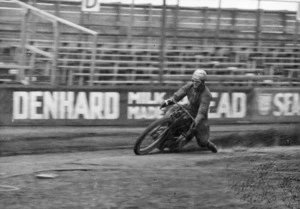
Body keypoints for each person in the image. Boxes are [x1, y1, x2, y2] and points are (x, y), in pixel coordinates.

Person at [160, 69, 218, 153]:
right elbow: (178, 95)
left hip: (200, 118)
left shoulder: (206, 94)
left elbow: (201, 112)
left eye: (197, 82)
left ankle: (208, 144)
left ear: (202, 82)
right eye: (193, 80)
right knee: (173, 109)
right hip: (188, 108)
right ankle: (164, 128)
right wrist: (167, 102)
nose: (194, 83)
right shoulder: (190, 85)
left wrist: (196, 122)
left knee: (202, 142)